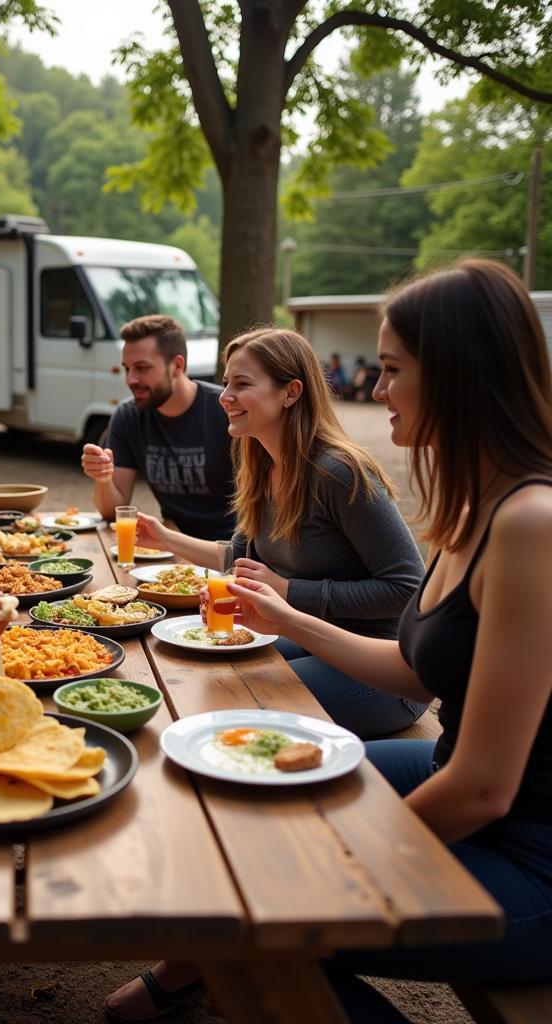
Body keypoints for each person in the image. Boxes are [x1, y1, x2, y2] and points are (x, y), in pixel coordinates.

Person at [106, 259, 552, 1022]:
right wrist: (291, 621)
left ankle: (213, 971)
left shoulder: (531, 522)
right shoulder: (476, 504)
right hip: (450, 771)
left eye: (390, 369)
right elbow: (418, 675)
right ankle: (194, 971)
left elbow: (485, 788)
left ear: (456, 374)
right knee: (244, 810)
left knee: (257, 917)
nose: (374, 391)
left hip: (529, 855)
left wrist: (337, 859)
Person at [135, 327, 427, 738]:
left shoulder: (338, 472)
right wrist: (167, 540)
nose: (224, 397)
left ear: (290, 392)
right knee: (201, 669)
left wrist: (288, 593)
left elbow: (409, 588)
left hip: (383, 672)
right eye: (225, 384)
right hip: (308, 638)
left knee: (236, 699)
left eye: (242, 384)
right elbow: (238, 557)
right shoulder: (261, 464)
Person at [81, 314, 234, 540]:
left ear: (177, 366)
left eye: (142, 368)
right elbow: (112, 513)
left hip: (232, 551)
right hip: (172, 546)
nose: (131, 379)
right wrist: (103, 478)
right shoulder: (128, 416)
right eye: (127, 369)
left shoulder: (226, 411)